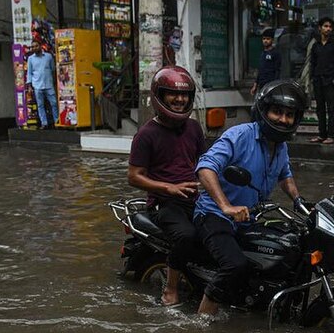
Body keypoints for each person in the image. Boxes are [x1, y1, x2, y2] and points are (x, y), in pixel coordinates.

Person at [194, 79, 308, 317]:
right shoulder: (239, 135)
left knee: (290, 250)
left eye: (289, 115)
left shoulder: (280, 145)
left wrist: (299, 202)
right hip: (214, 215)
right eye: (277, 112)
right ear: (264, 111)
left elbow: (285, 175)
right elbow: (205, 167)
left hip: (250, 217)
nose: (283, 120)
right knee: (235, 265)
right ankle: (203, 319)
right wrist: (226, 206)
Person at [128, 66, 206, 307]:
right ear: (158, 96)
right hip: (164, 203)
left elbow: (205, 163)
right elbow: (134, 176)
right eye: (173, 94)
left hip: (194, 198)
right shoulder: (146, 134)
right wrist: (168, 188)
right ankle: (171, 289)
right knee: (186, 236)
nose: (180, 100)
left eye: (184, 95)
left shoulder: (193, 128)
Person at [308, 17, 334, 145]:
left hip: (329, 80)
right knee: (320, 108)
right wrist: (312, 77)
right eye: (325, 26)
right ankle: (321, 134)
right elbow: (312, 62)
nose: (328, 29)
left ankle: (331, 136)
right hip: (318, 79)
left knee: (332, 108)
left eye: (330, 27)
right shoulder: (315, 45)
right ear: (320, 28)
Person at [25, 41, 57, 130]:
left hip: (49, 84)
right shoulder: (30, 59)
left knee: (54, 103)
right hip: (37, 85)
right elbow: (29, 73)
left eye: (36, 46)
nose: (34, 48)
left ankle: (56, 121)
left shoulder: (48, 57)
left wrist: (54, 81)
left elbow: (53, 70)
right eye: (32, 47)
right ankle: (44, 123)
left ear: (40, 46)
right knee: (40, 105)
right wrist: (30, 86)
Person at [250, 28, 282, 96]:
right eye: (264, 39)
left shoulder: (276, 53)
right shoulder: (262, 54)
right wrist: (255, 85)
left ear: (272, 40)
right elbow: (260, 70)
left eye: (268, 39)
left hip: (270, 85)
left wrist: (274, 86)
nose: (265, 41)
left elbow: (277, 71)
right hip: (262, 85)